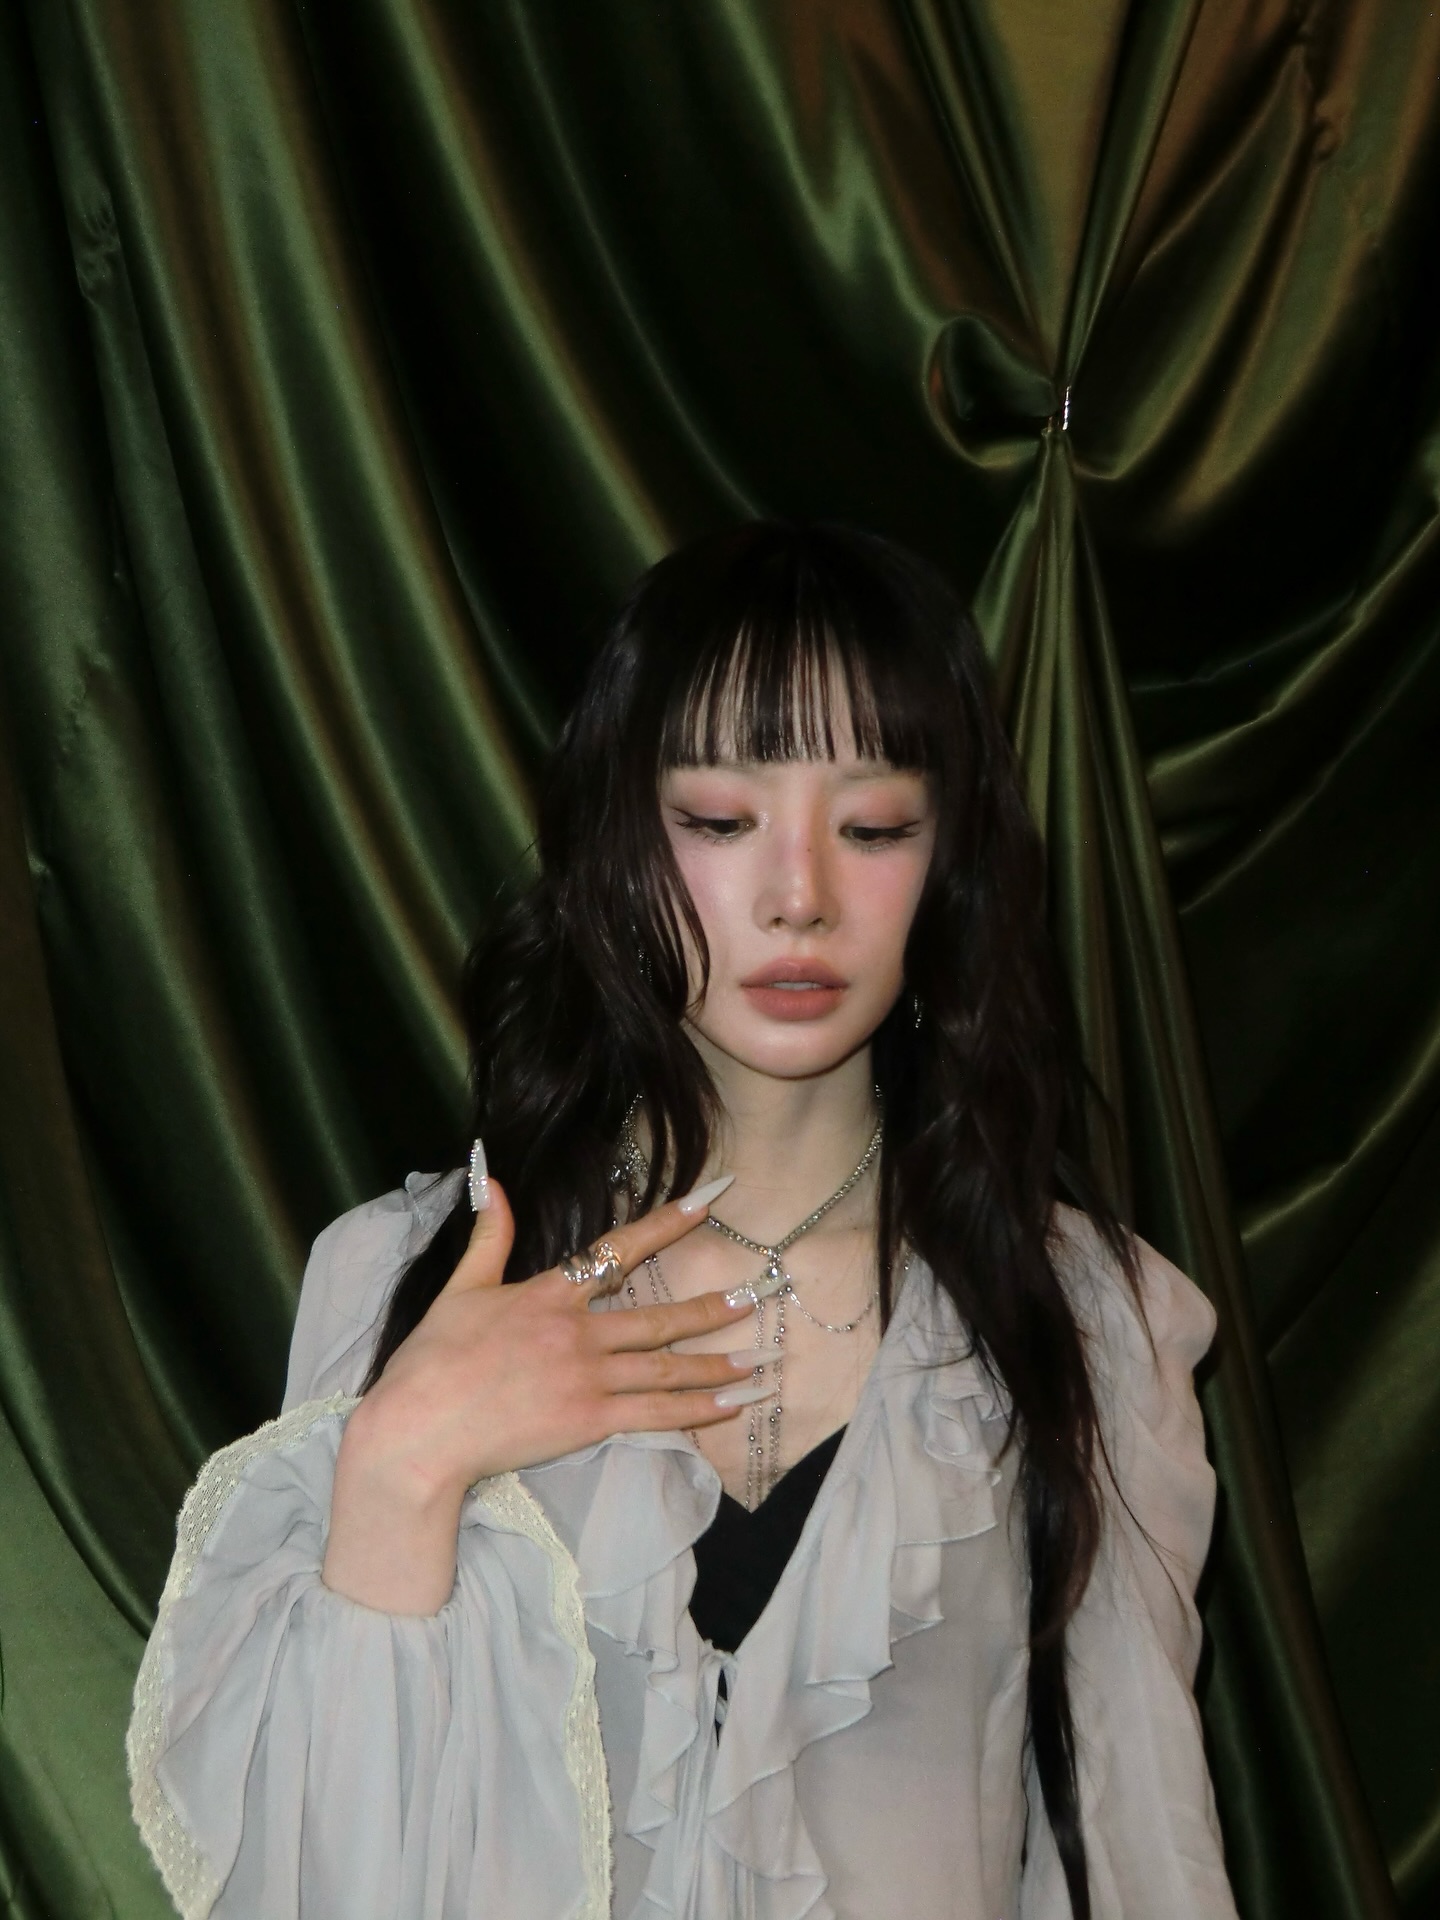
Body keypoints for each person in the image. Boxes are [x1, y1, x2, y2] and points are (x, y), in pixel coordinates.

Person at [127, 522, 1238, 1920]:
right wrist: (403, 1466)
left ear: (949, 861)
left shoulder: (1083, 1318)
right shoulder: (403, 1283)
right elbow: (311, 1877)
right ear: (618, 844)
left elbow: (1143, 1850)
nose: (800, 897)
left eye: (874, 827)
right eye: (719, 821)